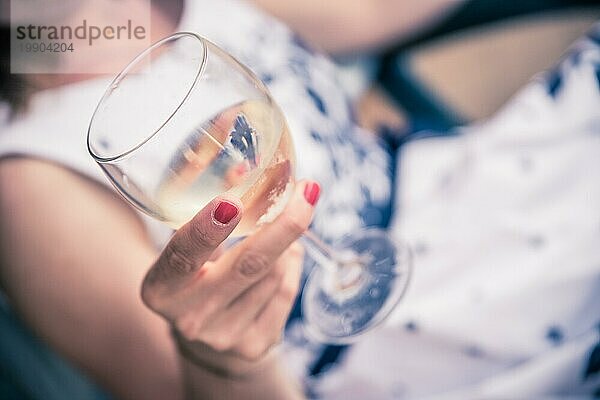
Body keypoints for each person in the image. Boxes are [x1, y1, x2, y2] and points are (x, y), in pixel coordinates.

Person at [1, 1, 599, 399]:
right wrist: (223, 362)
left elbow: (369, 10)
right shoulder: (27, 186)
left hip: (468, 193)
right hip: (401, 346)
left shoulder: (162, 9)